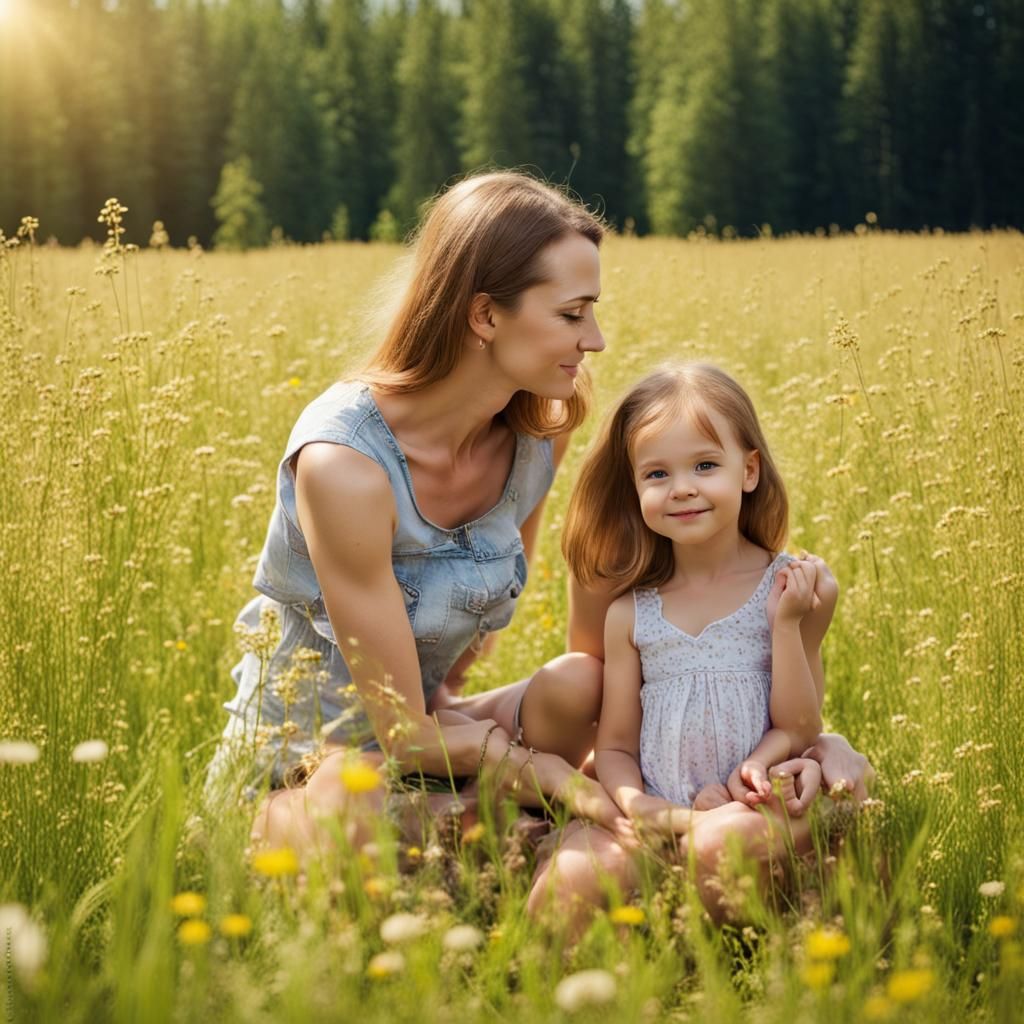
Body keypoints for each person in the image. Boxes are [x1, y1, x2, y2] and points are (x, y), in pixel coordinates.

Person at [205, 171, 631, 853]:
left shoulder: (539, 436)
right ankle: (500, 828)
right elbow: (399, 733)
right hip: (300, 772)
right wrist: (531, 767)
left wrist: (461, 719)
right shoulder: (345, 464)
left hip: (427, 744)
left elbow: (461, 658)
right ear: (486, 315)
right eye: (573, 314)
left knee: (583, 684)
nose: (596, 340)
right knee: (350, 801)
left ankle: (473, 826)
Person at [528, 364, 866, 932]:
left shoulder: (796, 588)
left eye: (705, 466)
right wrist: (639, 806)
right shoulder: (632, 614)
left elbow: (802, 726)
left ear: (749, 470)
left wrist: (784, 625)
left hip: (753, 808)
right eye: (657, 473)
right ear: (635, 488)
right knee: (568, 887)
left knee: (720, 846)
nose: (681, 487)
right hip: (663, 814)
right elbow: (613, 746)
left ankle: (722, 950)